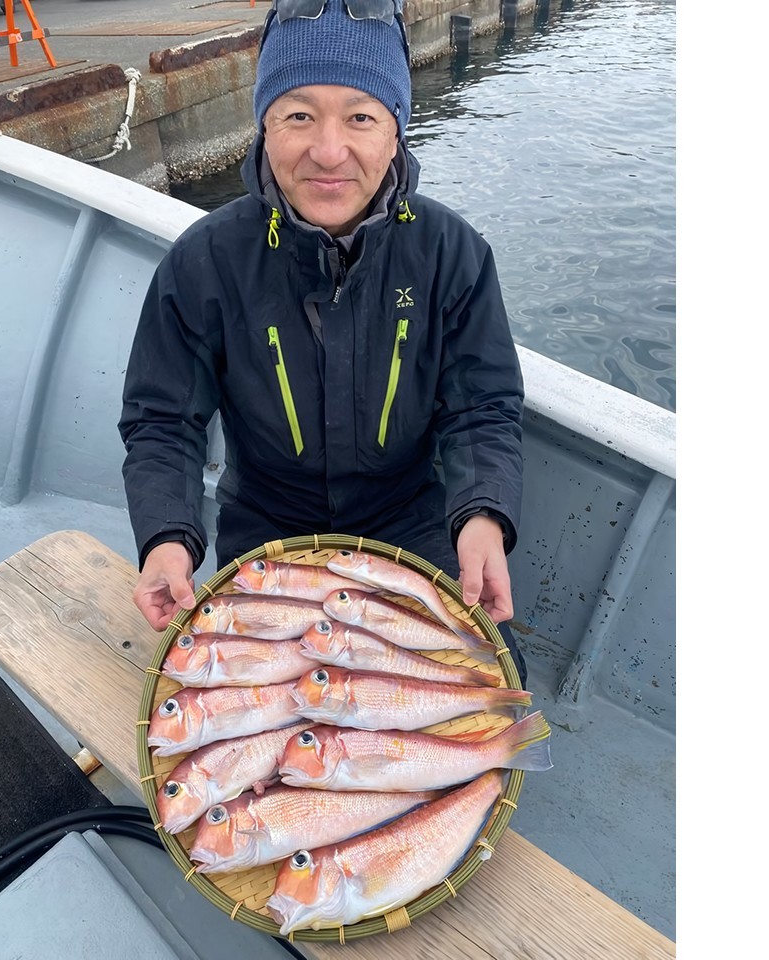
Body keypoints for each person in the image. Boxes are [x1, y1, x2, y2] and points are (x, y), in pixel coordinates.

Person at [118, 0, 527, 683]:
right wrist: (167, 537)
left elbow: (481, 408)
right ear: (264, 128)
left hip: (414, 536)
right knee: (243, 710)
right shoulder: (204, 261)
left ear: (396, 131)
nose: (329, 151)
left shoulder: (452, 253)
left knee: (485, 685)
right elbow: (164, 422)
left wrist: (481, 515)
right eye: (299, 115)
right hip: (268, 539)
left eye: (360, 117)